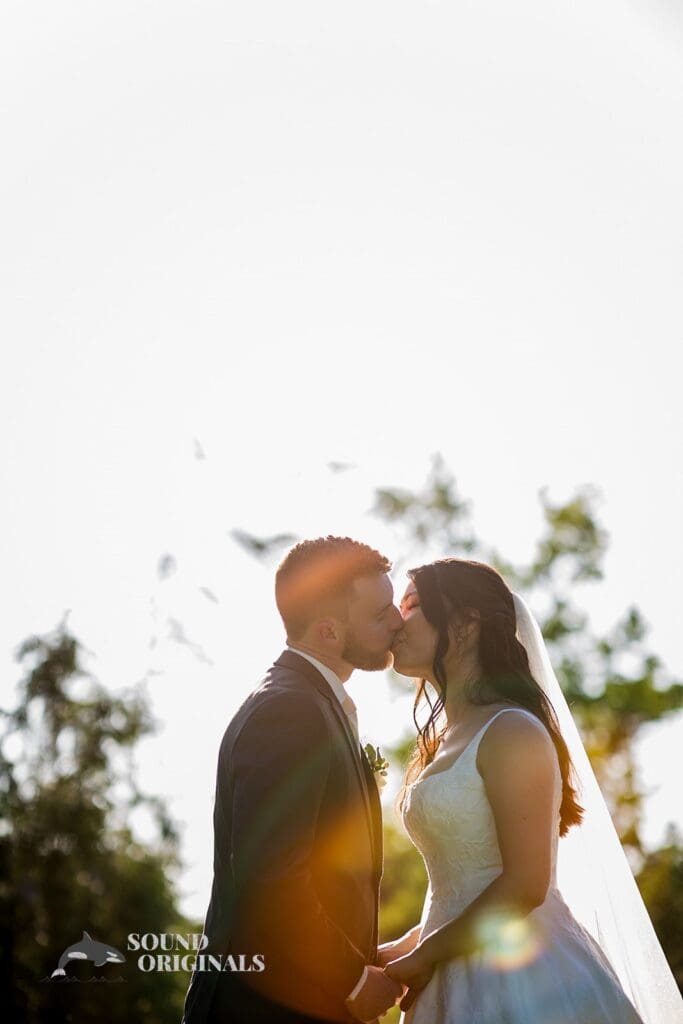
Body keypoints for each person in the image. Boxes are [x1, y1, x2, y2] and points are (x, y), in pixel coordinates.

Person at [381, 558, 683, 1024]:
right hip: (453, 963)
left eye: (414, 604)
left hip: (526, 979)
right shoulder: (443, 741)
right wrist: (393, 952)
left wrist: (417, 962)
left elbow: (523, 885)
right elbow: (459, 892)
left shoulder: (511, 730)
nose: (397, 620)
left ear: (465, 621)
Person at [181, 536, 404, 1024]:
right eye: (381, 612)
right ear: (328, 632)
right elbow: (274, 880)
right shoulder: (289, 712)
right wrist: (354, 979)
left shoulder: (313, 703)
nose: (398, 621)